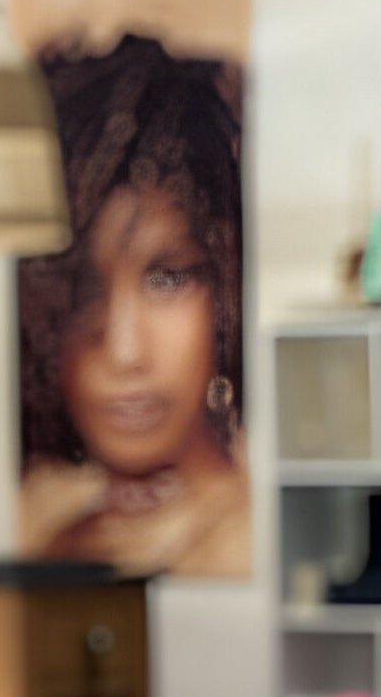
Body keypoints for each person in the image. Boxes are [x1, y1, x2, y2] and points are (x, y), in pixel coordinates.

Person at [17, 34, 249, 577]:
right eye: (83, 290)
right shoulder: (34, 519)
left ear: (226, 284)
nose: (125, 352)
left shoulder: (251, 543)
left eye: (167, 278)